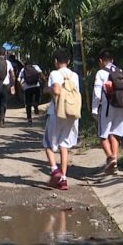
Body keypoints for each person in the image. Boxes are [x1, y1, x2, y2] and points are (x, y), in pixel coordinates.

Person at [43, 48, 80, 191]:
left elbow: (57, 90)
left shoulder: (55, 73)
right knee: (64, 145)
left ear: (56, 61)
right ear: (69, 61)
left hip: (57, 113)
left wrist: (48, 89)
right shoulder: (74, 75)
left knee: (47, 143)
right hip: (71, 113)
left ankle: (54, 170)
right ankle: (64, 179)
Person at [92, 49, 123, 175]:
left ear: (101, 61)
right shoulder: (120, 72)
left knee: (103, 136)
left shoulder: (101, 73)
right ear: (112, 60)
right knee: (115, 135)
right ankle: (115, 163)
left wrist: (94, 110)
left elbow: (97, 94)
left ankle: (111, 158)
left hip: (108, 108)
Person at [18, 59, 44, 124]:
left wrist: (21, 86)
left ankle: (29, 119)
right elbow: (41, 75)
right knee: (37, 98)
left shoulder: (23, 69)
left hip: (27, 88)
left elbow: (18, 79)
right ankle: (36, 105)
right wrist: (44, 82)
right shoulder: (36, 67)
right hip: (36, 86)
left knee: (28, 104)